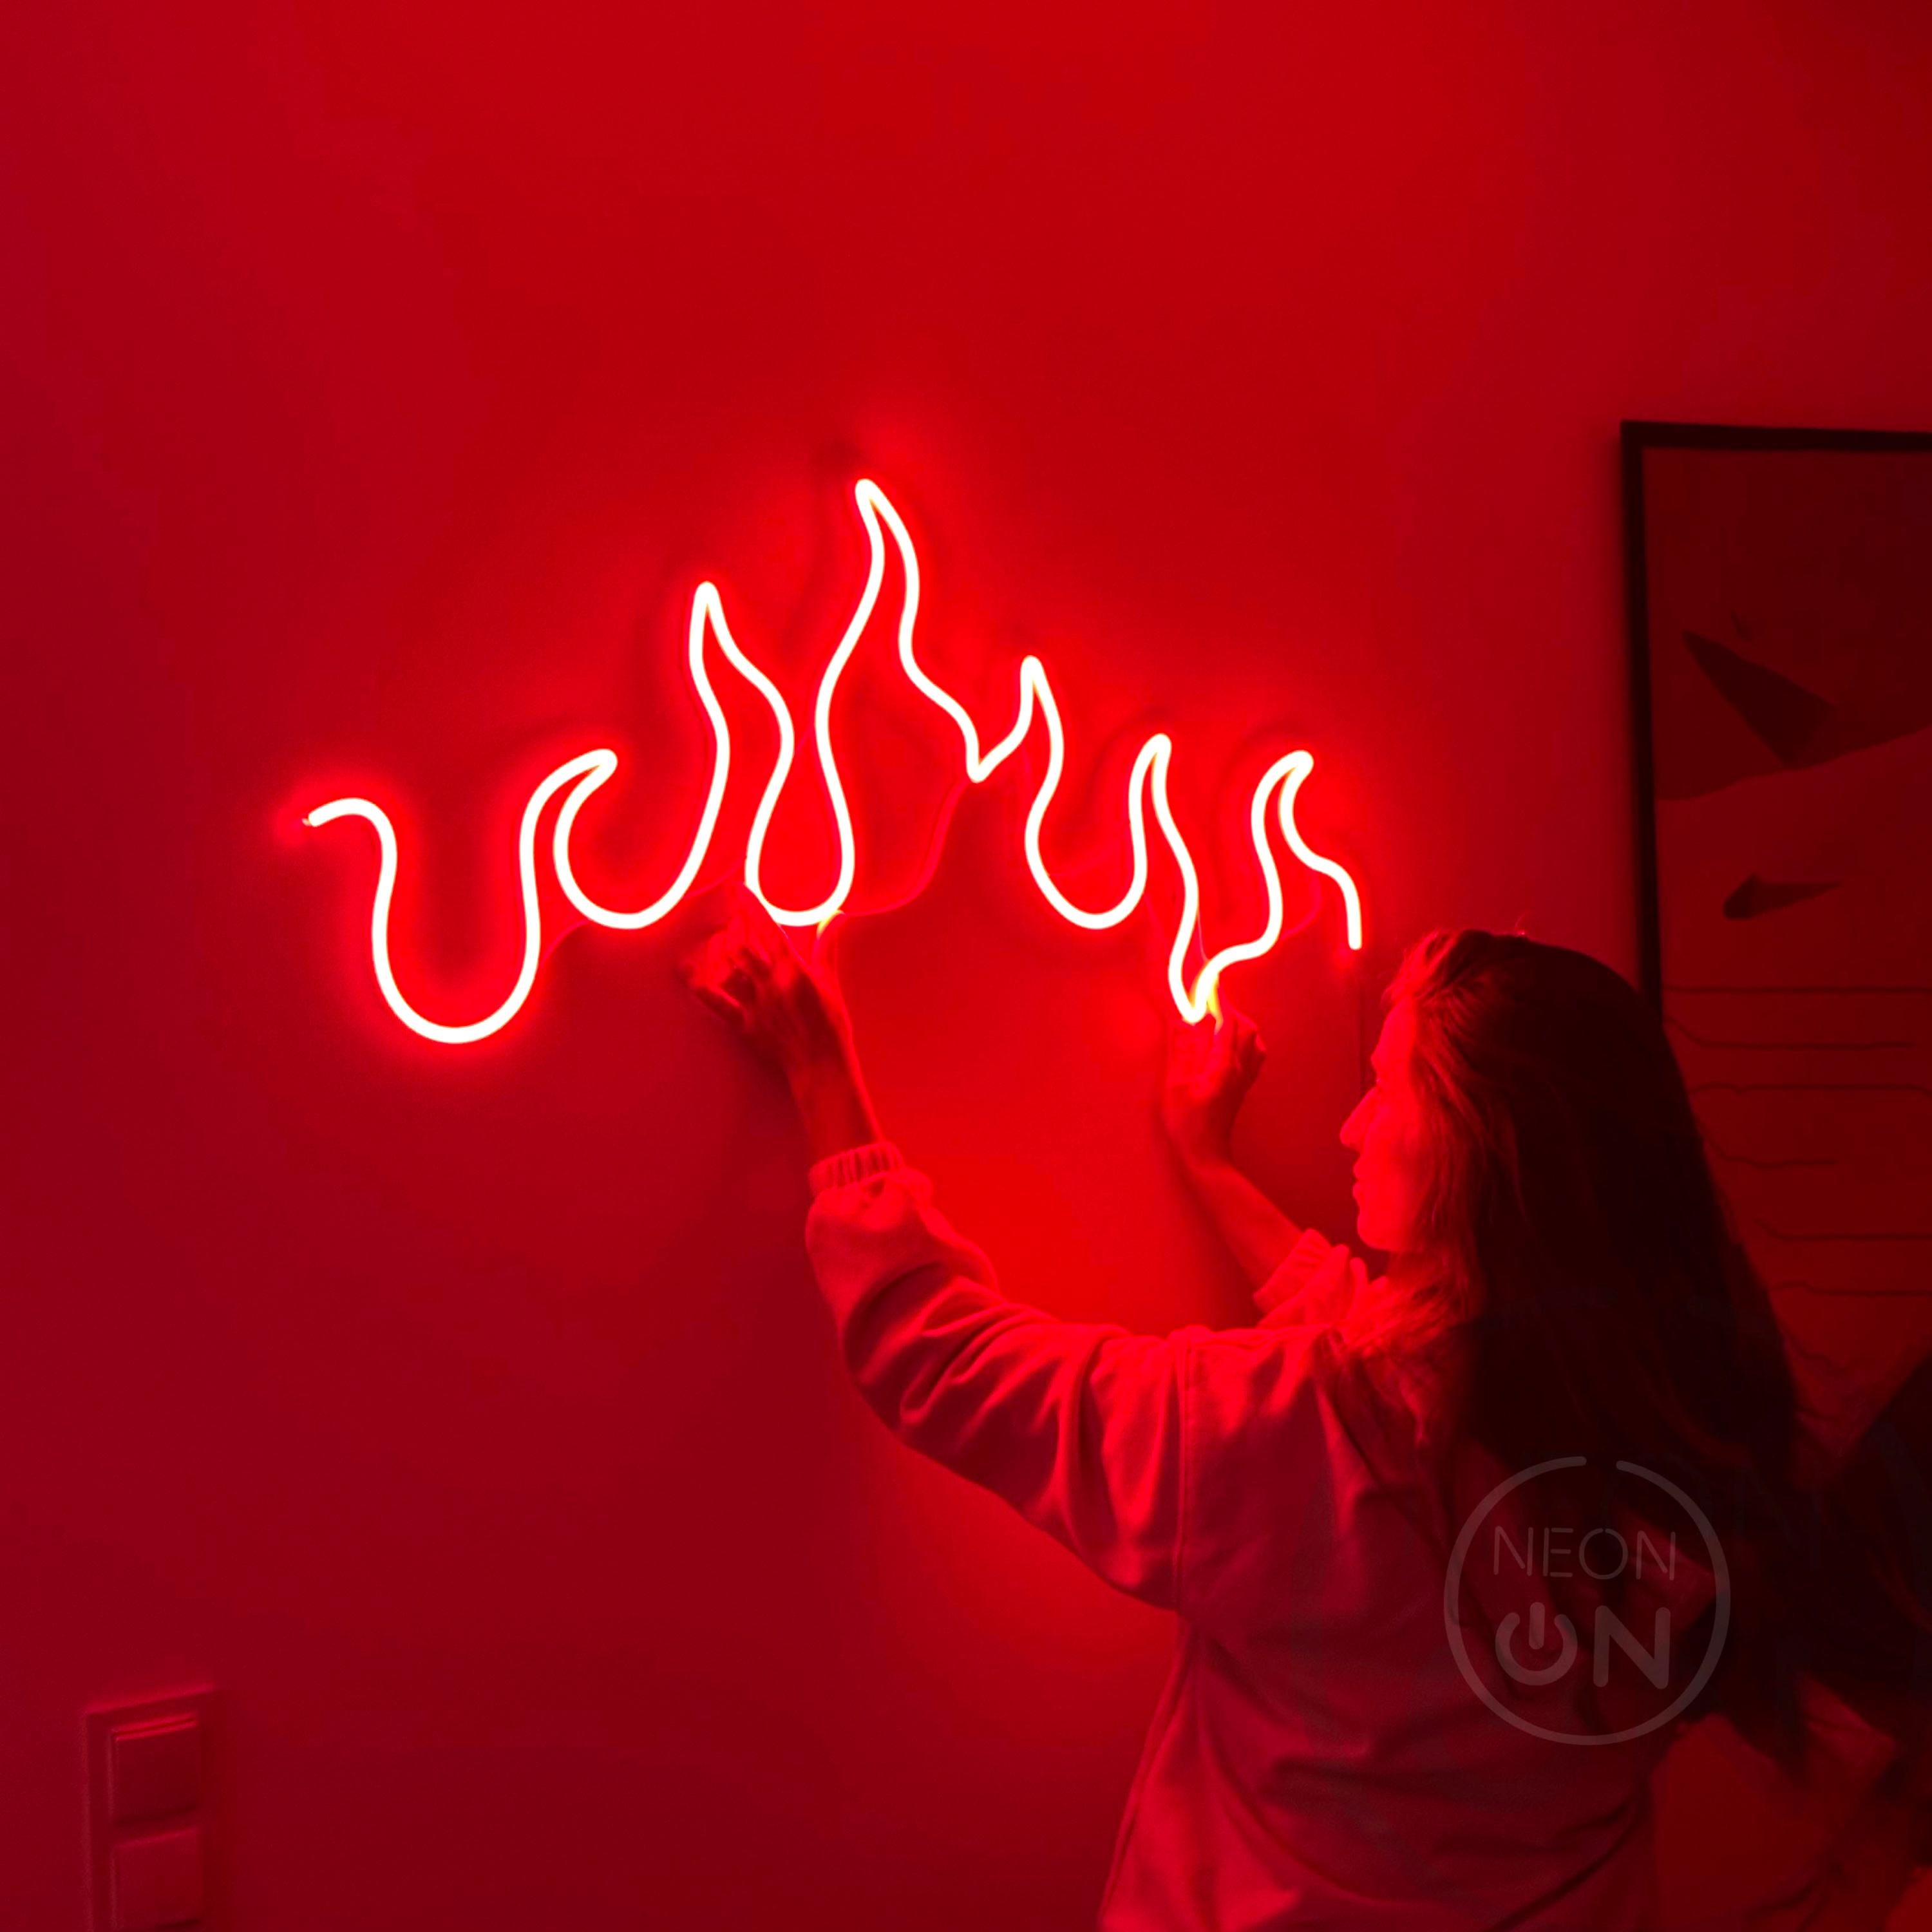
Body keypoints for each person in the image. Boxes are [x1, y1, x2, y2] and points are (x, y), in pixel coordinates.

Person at [684, 899, 1921, 1927]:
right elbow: (1407, 1367)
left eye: (1385, 1089)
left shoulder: (1293, 1437)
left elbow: (945, 1362)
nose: (1349, 1122)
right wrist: (1209, 1163)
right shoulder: (1672, 1438)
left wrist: (821, 1073)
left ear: (1478, 1165)